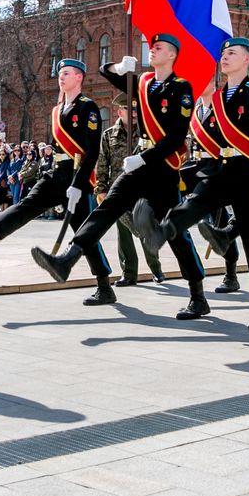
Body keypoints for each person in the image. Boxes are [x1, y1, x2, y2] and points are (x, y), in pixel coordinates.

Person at [31, 33, 205, 310]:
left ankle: (197, 294)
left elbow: (175, 138)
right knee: (107, 208)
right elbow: (104, 72)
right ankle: (68, 258)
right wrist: (118, 69)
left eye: (158, 47)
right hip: (138, 165)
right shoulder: (144, 83)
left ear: (172, 55)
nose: (152, 50)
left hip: (163, 168)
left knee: (173, 233)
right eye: (152, 46)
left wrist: (144, 157)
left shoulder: (181, 89)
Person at [130, 37, 249, 329]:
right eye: (223, 53)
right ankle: (160, 231)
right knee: (194, 203)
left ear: (247, 60)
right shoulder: (220, 98)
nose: (225, 57)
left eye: (232, 53)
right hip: (223, 170)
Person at [0, 59, 114, 293]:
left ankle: (104, 284)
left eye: (67, 73)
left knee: (82, 229)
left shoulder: (87, 107)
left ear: (79, 77)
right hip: (55, 174)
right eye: (60, 73)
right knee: (26, 205)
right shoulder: (57, 110)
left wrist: (79, 185)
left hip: (75, 175)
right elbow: (55, 146)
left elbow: (92, 151)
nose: (61, 77)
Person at [97, 93, 165, 288]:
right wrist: (101, 188)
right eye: (129, 109)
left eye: (136, 109)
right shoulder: (109, 135)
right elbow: (102, 163)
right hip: (117, 189)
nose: (134, 113)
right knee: (124, 233)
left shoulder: (146, 133)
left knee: (145, 227)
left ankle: (156, 268)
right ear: (119, 112)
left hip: (142, 188)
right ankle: (129, 273)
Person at [184, 82, 241, 293]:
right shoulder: (196, 109)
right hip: (198, 167)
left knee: (228, 222)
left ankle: (231, 274)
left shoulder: (223, 106)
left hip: (220, 168)